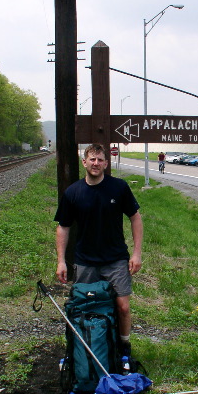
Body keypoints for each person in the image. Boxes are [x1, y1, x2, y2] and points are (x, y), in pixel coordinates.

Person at [54, 143, 143, 355]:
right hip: (85, 261)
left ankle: (124, 347)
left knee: (122, 306)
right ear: (84, 162)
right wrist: (60, 261)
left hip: (116, 259)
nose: (96, 163)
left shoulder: (119, 188)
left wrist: (137, 253)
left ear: (106, 163)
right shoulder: (73, 192)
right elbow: (63, 227)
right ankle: (83, 347)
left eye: (100, 160)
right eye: (92, 159)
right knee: (84, 306)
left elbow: (135, 218)